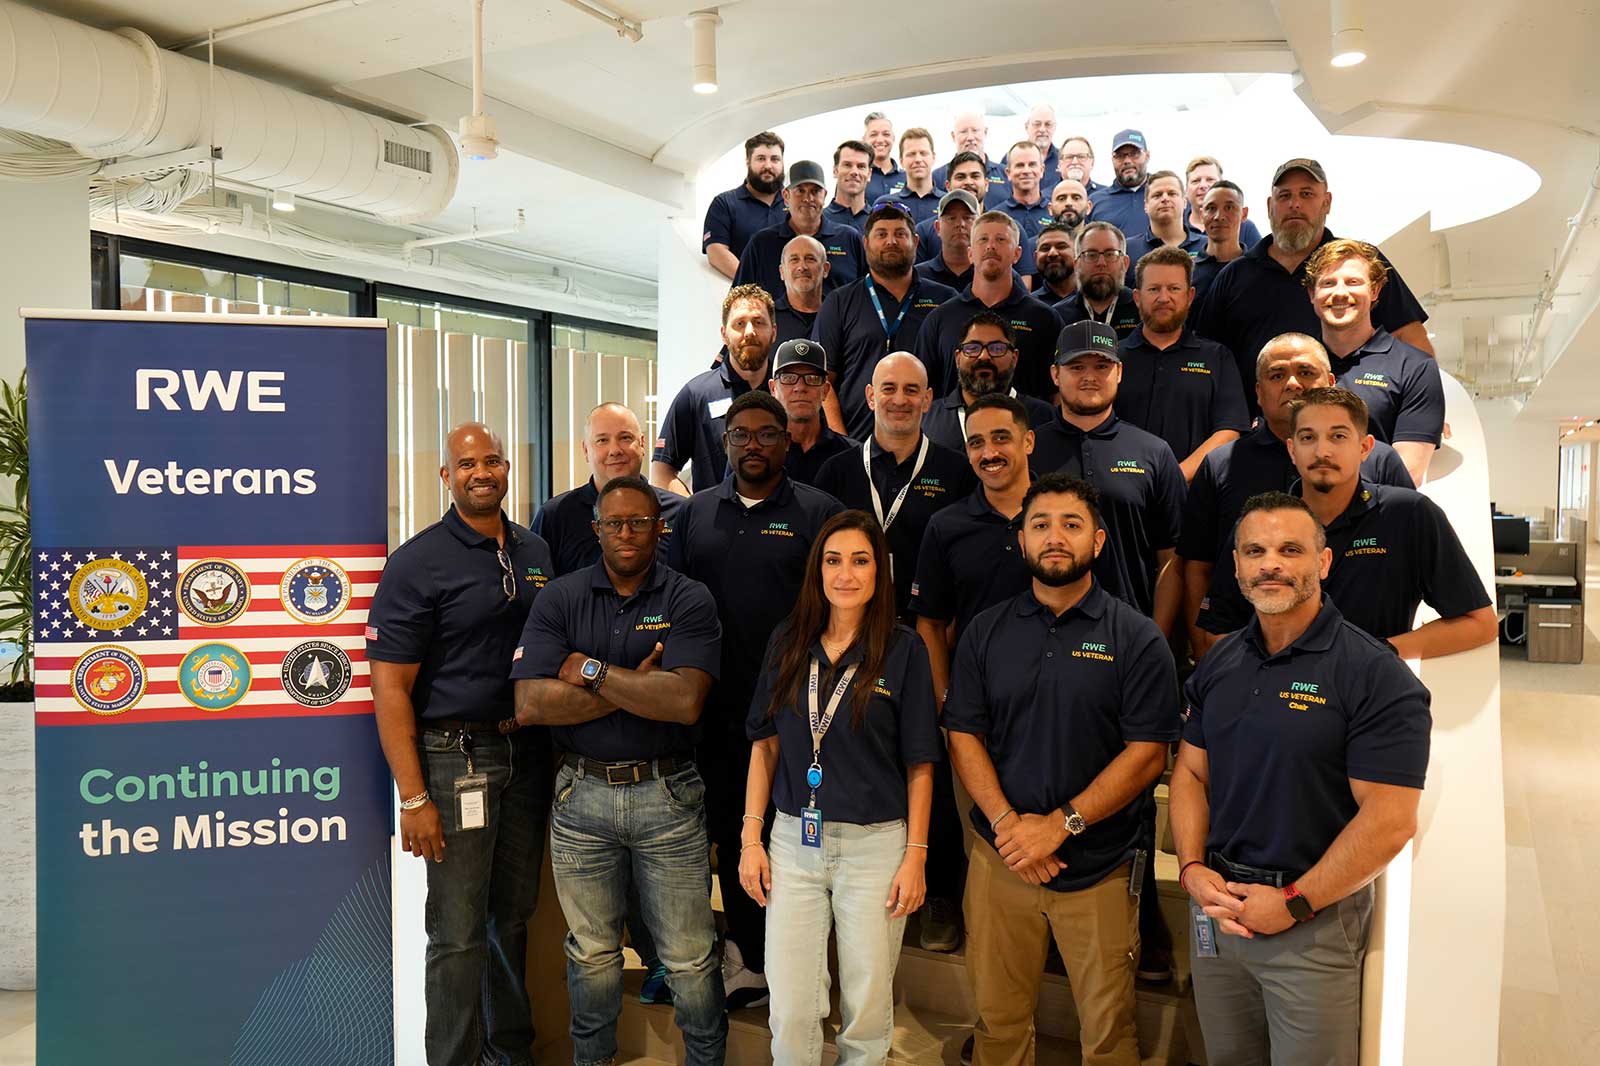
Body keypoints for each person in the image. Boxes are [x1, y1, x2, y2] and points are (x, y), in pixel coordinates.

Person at [1171, 491, 1431, 1066]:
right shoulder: (1220, 663)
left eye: (1290, 550)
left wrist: (1292, 903)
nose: (1271, 564)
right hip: (1218, 910)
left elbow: (1391, 820)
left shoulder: (1374, 675)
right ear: (1236, 565)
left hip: (1311, 924)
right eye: (1255, 551)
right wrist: (1190, 868)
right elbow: (1189, 771)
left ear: (1324, 561)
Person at [945, 473, 1180, 1066]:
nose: (1055, 537)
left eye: (1072, 525)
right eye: (1041, 525)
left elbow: (1148, 754)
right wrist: (1010, 827)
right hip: (1001, 859)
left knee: (1108, 1035)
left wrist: (1059, 825)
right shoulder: (985, 631)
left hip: (1099, 866)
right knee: (998, 1027)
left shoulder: (1136, 637)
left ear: (1097, 541)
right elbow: (964, 734)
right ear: (1021, 540)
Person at [512, 475, 726, 1066]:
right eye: (614, 523)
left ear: (660, 528)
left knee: (690, 958)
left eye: (639, 522)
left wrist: (589, 671)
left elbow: (684, 701)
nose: (626, 533)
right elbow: (530, 704)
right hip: (581, 797)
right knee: (592, 955)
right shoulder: (560, 597)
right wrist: (637, 685)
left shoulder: (689, 598)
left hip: (668, 794)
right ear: (596, 530)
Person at [369, 422, 554, 1066]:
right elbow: (389, 687)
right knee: (456, 931)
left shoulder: (534, 550)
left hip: (527, 757)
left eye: (492, 461)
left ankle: (510, 1053)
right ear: (446, 477)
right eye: (467, 464)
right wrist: (413, 796)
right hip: (456, 760)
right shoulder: (417, 562)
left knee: (513, 918)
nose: (482, 473)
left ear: (507, 470)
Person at [740, 510, 941, 1065]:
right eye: (833, 561)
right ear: (817, 570)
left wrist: (916, 856)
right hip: (792, 842)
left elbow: (921, 764)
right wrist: (751, 838)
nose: (845, 574)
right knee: (791, 1007)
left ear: (880, 571)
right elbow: (764, 746)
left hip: (875, 847)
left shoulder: (904, 650)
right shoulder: (788, 639)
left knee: (867, 1009)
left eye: (860, 561)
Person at [669, 391, 846, 1010]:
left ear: (787, 440)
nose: (752, 445)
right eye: (740, 434)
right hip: (715, 713)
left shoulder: (819, 511)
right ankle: (749, 959)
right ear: (725, 443)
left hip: (799, 710)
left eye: (766, 434)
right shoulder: (694, 515)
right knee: (731, 833)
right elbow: (673, 601)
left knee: (797, 837)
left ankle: (804, 970)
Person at [1194, 387, 1497, 657]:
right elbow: (1216, 632)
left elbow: (1479, 624)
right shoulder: (1257, 523)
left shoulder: (1409, 515)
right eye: (1308, 438)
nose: (1322, 451)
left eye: (1338, 436)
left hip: (1369, 693)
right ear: (1292, 450)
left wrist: (1376, 655)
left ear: (1365, 448)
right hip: (1274, 694)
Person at [1176, 334, 1416, 650]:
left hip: (1363, 657)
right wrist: (1206, 658)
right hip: (1251, 659)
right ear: (1258, 393)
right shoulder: (1220, 465)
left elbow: (1408, 564)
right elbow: (1198, 566)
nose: (1292, 383)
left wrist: (1386, 654)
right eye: (1277, 375)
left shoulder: (1380, 461)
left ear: (1331, 384)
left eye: (1305, 372)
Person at [912, 391, 1041, 954]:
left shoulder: (1061, 514)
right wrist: (945, 699)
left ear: (1028, 441)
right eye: (976, 443)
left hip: (1053, 701)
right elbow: (930, 622)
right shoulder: (948, 525)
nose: (989, 453)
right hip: (977, 708)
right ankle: (953, 904)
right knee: (974, 829)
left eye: (1001, 438)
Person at [1191, 158, 1433, 414]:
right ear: (1270, 206)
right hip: (1254, 428)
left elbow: (1411, 338)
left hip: (1348, 426)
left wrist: (1424, 409)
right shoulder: (1234, 275)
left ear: (1327, 202)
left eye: (1306, 194)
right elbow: (1207, 358)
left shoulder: (1360, 264)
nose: (1295, 204)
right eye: (1285, 196)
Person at [1032, 321, 1186, 629]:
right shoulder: (1028, 450)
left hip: (1130, 632)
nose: (1089, 377)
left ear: (1119, 372)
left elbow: (1173, 557)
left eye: (1101, 366)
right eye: (1076, 367)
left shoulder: (1154, 452)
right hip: (1040, 630)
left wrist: (1155, 635)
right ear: (1055, 375)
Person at [815, 353, 976, 615]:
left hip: (927, 624)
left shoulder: (958, 472)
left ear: (927, 399)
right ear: (871, 396)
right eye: (889, 388)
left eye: (911, 390)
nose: (900, 400)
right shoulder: (836, 472)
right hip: (850, 620)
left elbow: (965, 559)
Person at [1305, 237, 1444, 486]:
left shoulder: (1415, 367)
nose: (1340, 293)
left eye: (1353, 282)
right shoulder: (1297, 364)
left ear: (1375, 291)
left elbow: (1407, 473)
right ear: (1312, 294)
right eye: (1328, 283)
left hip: (1374, 507)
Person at [814, 203, 956, 440]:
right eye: (881, 234)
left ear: (915, 242)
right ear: (866, 243)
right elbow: (823, 382)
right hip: (857, 442)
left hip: (930, 443)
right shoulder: (839, 302)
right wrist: (842, 443)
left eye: (900, 234)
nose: (891, 241)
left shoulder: (946, 300)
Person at [1116, 247, 1248, 481]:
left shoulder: (1217, 357)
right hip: (1123, 489)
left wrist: (1174, 478)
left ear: (1190, 296)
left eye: (1174, 289)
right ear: (1137, 298)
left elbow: (1228, 431)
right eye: (1154, 289)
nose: (1163, 298)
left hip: (1194, 493)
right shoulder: (1113, 359)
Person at [912, 211, 1062, 400]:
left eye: (1001, 239)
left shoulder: (1044, 319)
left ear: (1017, 254)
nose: (991, 246)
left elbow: (1056, 393)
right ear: (970, 253)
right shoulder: (939, 319)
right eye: (983, 239)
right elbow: (923, 390)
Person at [653, 284, 777, 494]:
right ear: (724, 334)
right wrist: (695, 508)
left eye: (759, 322)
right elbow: (661, 472)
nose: (749, 332)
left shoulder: (789, 392)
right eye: (739, 324)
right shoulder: (696, 394)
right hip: (716, 515)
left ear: (774, 332)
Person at [534, 403, 686, 575]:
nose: (615, 450)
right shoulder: (555, 516)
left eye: (625, 438)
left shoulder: (680, 512)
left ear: (642, 443)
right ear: (586, 450)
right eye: (602, 440)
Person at [921, 310, 1055, 454]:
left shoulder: (1045, 418)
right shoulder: (926, 419)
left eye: (997, 348)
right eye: (973, 348)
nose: (984, 356)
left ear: (1014, 358)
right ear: (958, 358)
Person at [736, 161, 867, 298]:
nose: (808, 198)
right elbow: (739, 299)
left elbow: (869, 293)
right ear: (786, 196)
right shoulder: (762, 243)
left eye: (815, 191)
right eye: (800, 191)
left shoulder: (849, 239)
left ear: (824, 195)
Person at [770, 338, 855, 486]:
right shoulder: (761, 453)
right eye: (788, 378)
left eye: (812, 378)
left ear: (826, 391)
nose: (800, 387)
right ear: (773, 389)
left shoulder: (853, 456)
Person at [704, 131, 787, 279]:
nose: (768, 165)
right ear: (748, 162)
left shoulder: (797, 204)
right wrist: (754, 284)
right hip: (746, 291)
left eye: (775, 159)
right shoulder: (724, 203)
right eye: (761, 159)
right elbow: (716, 251)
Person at [1053, 221, 1141, 339]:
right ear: (1076, 265)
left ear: (1125, 263)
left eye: (1110, 254)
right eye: (1091, 255)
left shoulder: (1143, 310)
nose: (1101, 263)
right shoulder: (1057, 316)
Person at [1122, 170, 1206, 287]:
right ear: (1146, 205)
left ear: (1184, 202)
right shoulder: (1127, 249)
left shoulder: (1207, 247)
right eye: (1157, 195)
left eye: (1172, 193)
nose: (1165, 199)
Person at [914, 152, 990, 265]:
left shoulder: (1003, 228)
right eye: (960, 177)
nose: (968, 182)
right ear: (948, 186)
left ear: (986, 184)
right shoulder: (924, 231)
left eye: (975, 176)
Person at [994, 141, 1051, 280]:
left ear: (1042, 170)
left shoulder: (1055, 213)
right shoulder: (996, 217)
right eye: (1020, 165)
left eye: (1032, 164)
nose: (1026, 170)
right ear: (1008, 173)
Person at [1190, 179, 1248, 306]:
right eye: (1211, 208)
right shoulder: (1187, 272)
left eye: (1229, 208)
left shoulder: (1256, 271)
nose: (1219, 216)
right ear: (1202, 214)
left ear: (1244, 214)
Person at [1086, 129, 1152, 241]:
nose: (1127, 161)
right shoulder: (1095, 202)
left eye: (1134, 154)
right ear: (1112, 159)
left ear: (1147, 156)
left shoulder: (1164, 195)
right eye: (1120, 156)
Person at [932, 110, 1008, 206]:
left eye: (975, 131)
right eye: (963, 132)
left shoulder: (1006, 175)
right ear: (953, 136)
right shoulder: (937, 177)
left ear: (985, 132)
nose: (970, 137)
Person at [1182, 156, 1261, 247]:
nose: (1203, 185)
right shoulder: (1176, 226)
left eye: (1210, 179)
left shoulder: (1245, 227)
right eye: (1196, 181)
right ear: (1186, 189)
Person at [913, 188, 979, 292]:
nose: (960, 224)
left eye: (967, 218)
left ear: (979, 226)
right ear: (937, 227)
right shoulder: (917, 276)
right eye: (951, 218)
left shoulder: (992, 273)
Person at [774, 235, 828, 346]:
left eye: (810, 259)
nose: (802, 267)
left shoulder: (839, 316)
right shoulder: (768, 317)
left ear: (825, 269)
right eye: (794, 260)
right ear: (782, 271)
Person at [892, 128, 943, 224]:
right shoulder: (887, 204)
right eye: (911, 154)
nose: (918, 159)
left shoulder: (949, 203)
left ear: (933, 157)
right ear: (901, 161)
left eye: (923, 153)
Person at [825, 140, 873, 234]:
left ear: (869, 174)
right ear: (835, 171)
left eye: (861, 166)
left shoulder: (880, 221)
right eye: (847, 165)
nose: (854, 172)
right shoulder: (819, 220)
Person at [863, 111, 907, 203]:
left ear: (893, 138)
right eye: (873, 135)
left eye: (886, 134)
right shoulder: (858, 176)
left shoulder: (907, 178)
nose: (880, 140)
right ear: (864, 139)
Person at [1032, 220, 1078, 303]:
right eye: (1045, 248)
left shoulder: (1095, 300)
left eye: (1061, 247)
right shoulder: (1028, 305)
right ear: (1036, 257)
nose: (1052, 253)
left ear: (1077, 253)